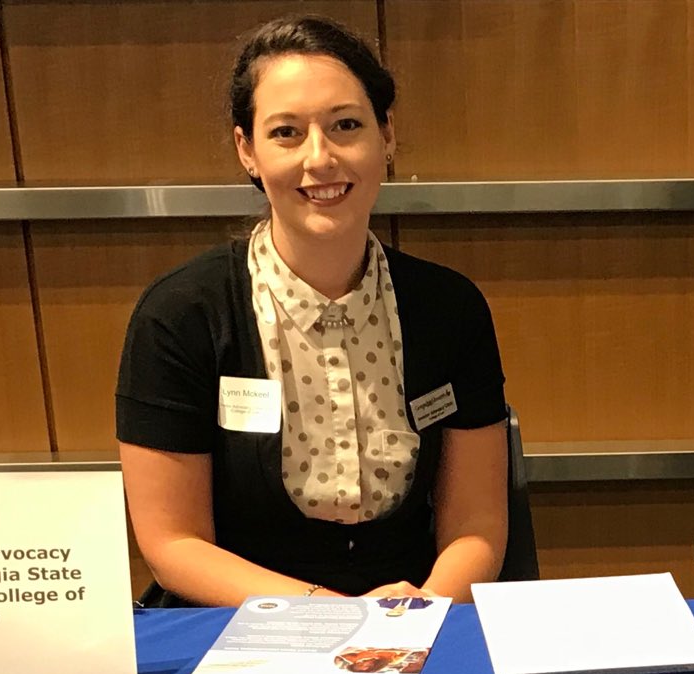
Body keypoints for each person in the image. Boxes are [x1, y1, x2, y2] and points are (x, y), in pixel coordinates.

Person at [116, 16, 509, 606]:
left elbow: (476, 525)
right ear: (247, 150)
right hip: (238, 627)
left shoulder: (451, 309)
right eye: (287, 133)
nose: (320, 158)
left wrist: (420, 615)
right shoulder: (180, 315)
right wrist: (329, 618)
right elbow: (174, 543)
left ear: (387, 135)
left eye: (346, 125)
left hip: (417, 617)